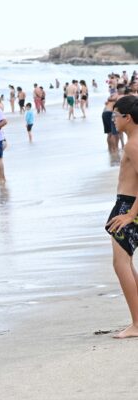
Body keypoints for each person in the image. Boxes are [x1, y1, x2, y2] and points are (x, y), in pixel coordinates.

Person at [105, 95, 138, 339]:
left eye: (116, 115)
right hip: (127, 204)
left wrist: (130, 215)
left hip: (129, 206)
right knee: (126, 263)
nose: (113, 119)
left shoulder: (132, 145)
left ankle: (137, 324)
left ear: (127, 118)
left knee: (121, 264)